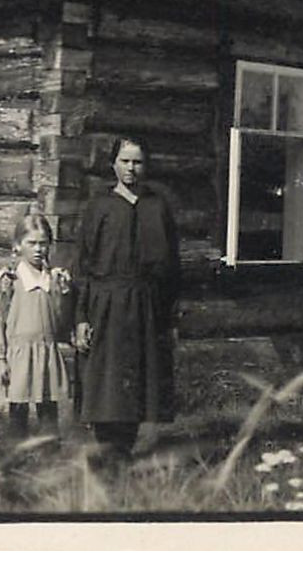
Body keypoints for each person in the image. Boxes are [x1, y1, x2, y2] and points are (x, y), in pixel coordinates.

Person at [74, 136, 181, 459]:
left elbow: (172, 268)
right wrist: (80, 317)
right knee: (106, 383)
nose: (131, 168)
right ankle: (107, 450)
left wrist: (170, 318)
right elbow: (83, 264)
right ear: (113, 164)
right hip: (105, 304)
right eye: (125, 161)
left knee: (137, 382)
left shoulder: (157, 206)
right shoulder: (99, 207)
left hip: (146, 307)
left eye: (138, 162)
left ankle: (126, 449)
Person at [0, 212, 75, 437]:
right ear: (18, 245)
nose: (38, 249)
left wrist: (63, 294)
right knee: (18, 414)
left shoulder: (54, 279)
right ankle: (16, 461)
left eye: (43, 243)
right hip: (19, 356)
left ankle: (49, 461)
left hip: (46, 353)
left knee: (48, 414)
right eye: (32, 243)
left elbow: (60, 320)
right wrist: (0, 358)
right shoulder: (10, 281)